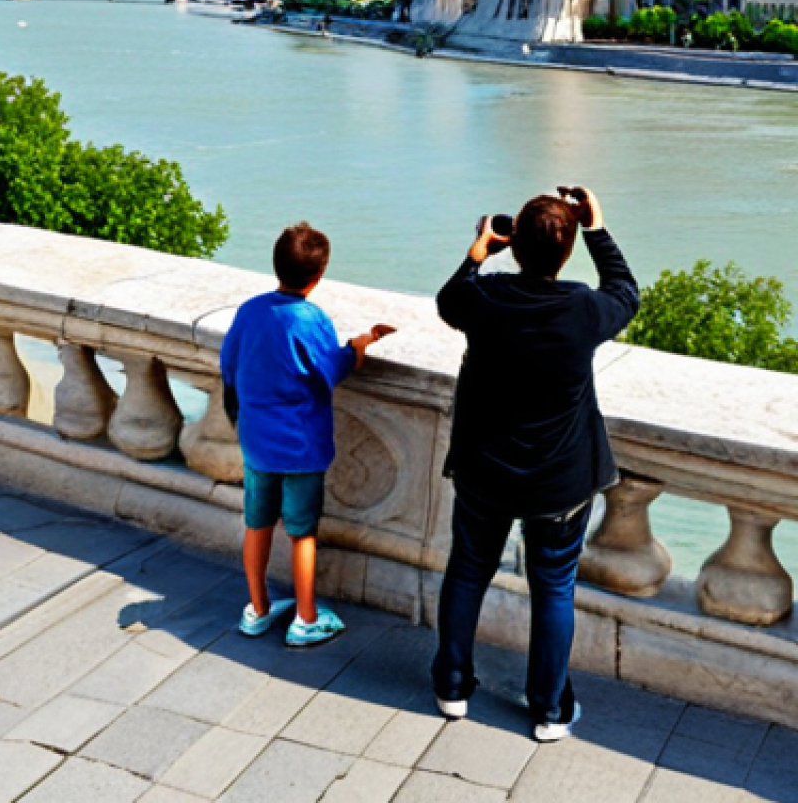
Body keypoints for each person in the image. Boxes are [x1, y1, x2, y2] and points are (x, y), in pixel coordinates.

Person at [432, 187, 639, 742]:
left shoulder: (486, 299)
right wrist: (596, 228)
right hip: (559, 483)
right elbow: (626, 291)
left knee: (469, 570)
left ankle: (452, 686)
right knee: (553, 589)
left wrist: (479, 252)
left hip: (484, 472)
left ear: (514, 245)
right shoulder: (585, 309)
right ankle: (549, 709)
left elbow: (449, 299)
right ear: (567, 253)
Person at [221, 222, 395, 648]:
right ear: (318, 276)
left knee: (257, 524)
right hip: (300, 447)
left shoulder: (250, 311)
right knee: (302, 533)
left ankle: (258, 610)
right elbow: (329, 370)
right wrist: (359, 344)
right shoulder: (311, 318)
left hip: (257, 441)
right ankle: (305, 617)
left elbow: (229, 366)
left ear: (276, 264)